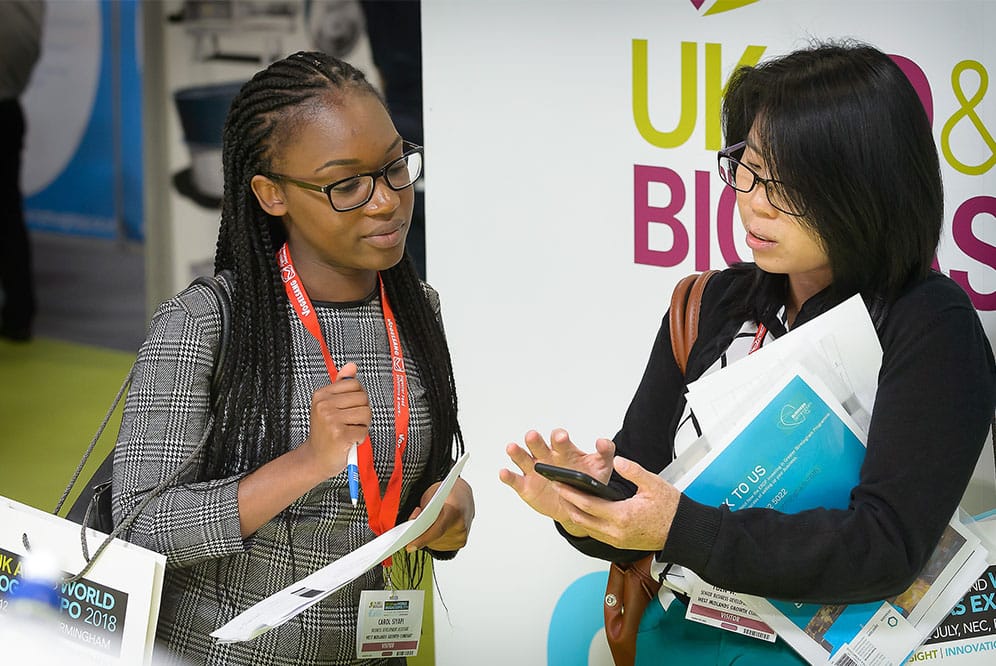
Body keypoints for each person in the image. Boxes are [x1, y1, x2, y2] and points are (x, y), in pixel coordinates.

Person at [500, 41, 996, 664]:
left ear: (867, 185)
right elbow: (641, 513)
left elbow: (886, 546)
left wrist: (681, 526)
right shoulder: (709, 303)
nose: (754, 201)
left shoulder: (929, 323)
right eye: (749, 170)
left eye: (786, 182)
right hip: (682, 641)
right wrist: (587, 504)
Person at [112, 51, 474, 665]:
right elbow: (140, 526)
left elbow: (407, 480)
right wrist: (308, 461)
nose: (386, 201)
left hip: (369, 651)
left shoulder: (417, 310)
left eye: (395, 168)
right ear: (271, 194)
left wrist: (450, 511)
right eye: (346, 185)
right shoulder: (205, 323)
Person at [0, 0, 44, 342]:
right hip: (8, 107)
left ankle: (19, 312)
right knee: (8, 214)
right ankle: (19, 313)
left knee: (7, 215)